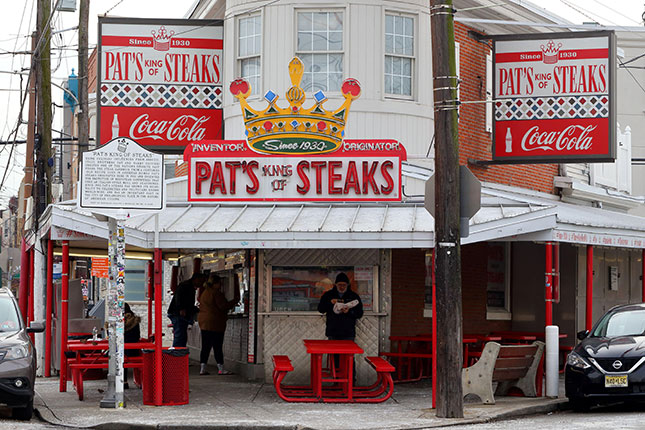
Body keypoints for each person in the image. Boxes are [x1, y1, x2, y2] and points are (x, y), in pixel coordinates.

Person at [317, 272, 363, 376]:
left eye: (344, 285)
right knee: (335, 357)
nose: (342, 287)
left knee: (349, 357)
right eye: (339, 285)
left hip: (348, 332)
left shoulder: (353, 296)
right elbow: (320, 309)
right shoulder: (328, 295)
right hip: (333, 331)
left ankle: (351, 382)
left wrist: (349, 312)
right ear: (335, 285)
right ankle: (336, 381)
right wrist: (330, 303)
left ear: (347, 285)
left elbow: (359, 313)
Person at [197, 274, 240, 375]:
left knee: (205, 346)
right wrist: (234, 301)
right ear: (215, 284)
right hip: (215, 322)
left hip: (204, 322)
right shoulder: (216, 293)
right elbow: (223, 306)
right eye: (219, 283)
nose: (220, 285)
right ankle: (221, 369)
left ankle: (202, 369)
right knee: (217, 346)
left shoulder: (205, 292)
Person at [168, 273, 205, 347]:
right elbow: (179, 298)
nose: (201, 284)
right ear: (196, 279)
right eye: (200, 281)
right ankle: (177, 355)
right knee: (180, 336)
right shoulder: (186, 286)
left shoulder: (188, 286)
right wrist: (181, 309)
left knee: (181, 336)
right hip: (178, 314)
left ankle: (179, 354)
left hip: (177, 313)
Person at [123, 302, 141, 389]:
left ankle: (123, 381)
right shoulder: (135, 321)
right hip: (134, 350)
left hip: (121, 351)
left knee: (120, 357)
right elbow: (137, 336)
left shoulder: (117, 322)